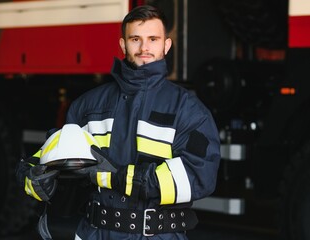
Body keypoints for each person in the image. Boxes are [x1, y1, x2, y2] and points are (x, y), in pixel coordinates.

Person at [16, 5, 221, 240]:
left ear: (166, 45)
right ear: (123, 45)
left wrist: (118, 176)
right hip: (94, 233)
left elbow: (199, 175)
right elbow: (49, 161)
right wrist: (37, 179)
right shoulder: (87, 106)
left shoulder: (187, 110)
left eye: (153, 39)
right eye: (136, 39)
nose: (144, 48)